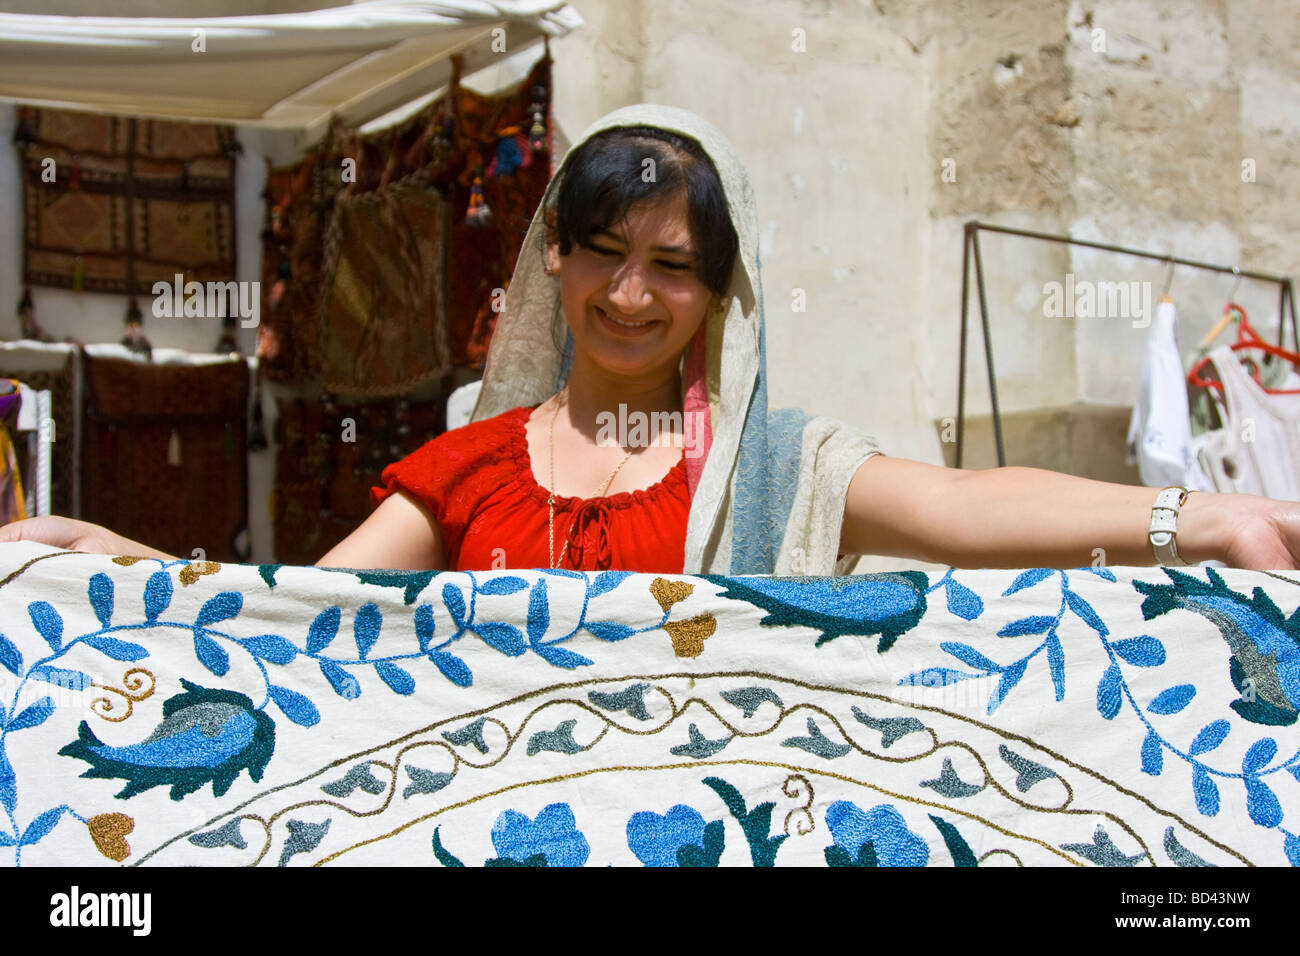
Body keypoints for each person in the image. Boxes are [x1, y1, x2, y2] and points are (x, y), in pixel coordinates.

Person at [2, 104, 1299, 573]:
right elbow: (306, 617)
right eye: (606, 253)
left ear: (719, 295)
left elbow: (965, 506)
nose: (631, 294)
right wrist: (117, 558)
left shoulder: (772, 472)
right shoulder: (473, 464)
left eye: (673, 266)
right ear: (551, 255)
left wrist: (1201, 521)